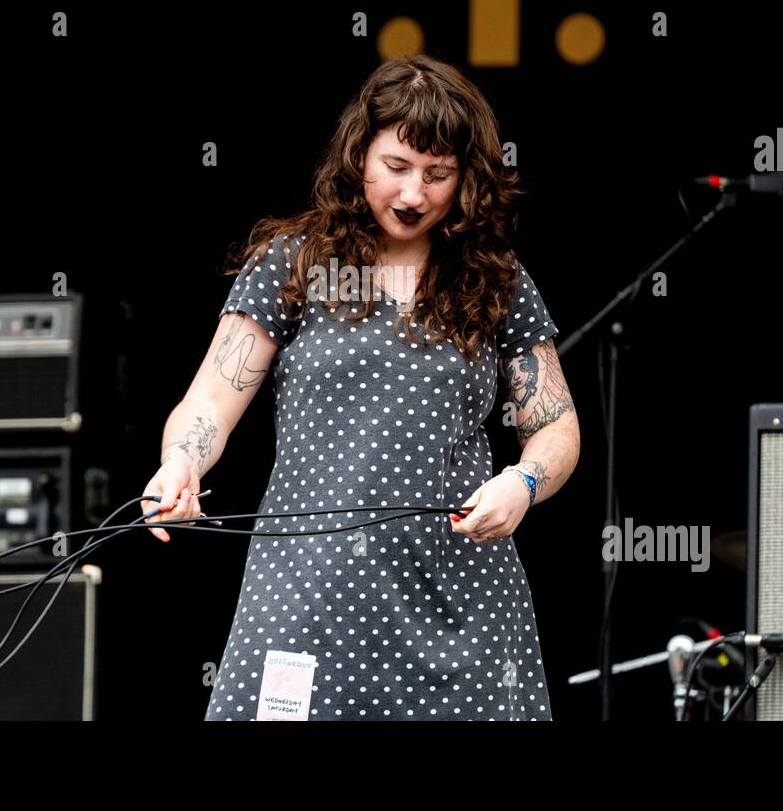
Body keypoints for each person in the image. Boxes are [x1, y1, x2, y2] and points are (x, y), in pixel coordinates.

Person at [142, 53, 580, 720]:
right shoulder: (295, 263)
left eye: (437, 175)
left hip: (459, 601)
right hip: (307, 595)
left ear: (466, 179)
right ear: (358, 156)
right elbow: (208, 402)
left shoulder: (496, 280)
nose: (413, 194)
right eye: (396, 167)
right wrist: (180, 463)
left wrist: (521, 484)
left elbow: (555, 424)